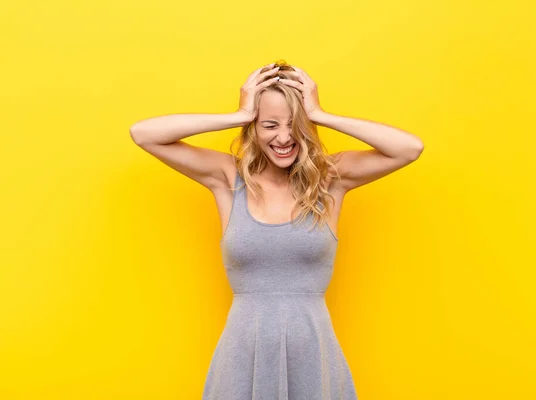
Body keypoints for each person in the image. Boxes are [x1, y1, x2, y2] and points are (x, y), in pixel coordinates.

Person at [129, 59, 424, 399]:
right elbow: (143, 134)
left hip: (313, 354)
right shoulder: (228, 178)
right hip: (242, 356)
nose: (284, 137)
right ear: (254, 128)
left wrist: (321, 114)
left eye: (295, 125)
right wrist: (238, 115)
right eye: (269, 125)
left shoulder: (330, 179)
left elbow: (409, 148)